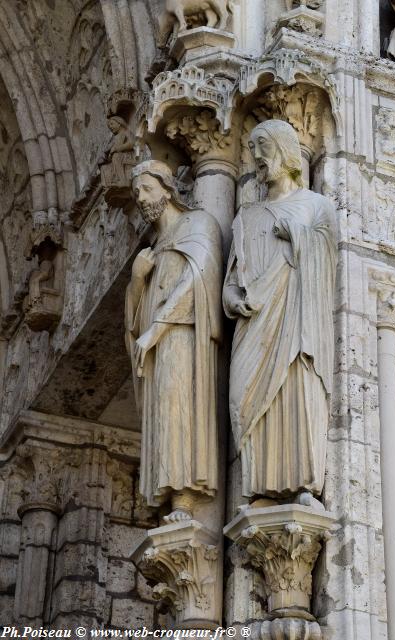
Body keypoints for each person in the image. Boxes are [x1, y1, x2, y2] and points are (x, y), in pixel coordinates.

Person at [223, 120, 338, 506]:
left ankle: (303, 485)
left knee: (296, 391)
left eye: (263, 147)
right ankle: (260, 486)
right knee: (247, 395)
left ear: (286, 152)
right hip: (254, 324)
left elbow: (329, 263)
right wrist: (232, 300)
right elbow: (231, 278)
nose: (256, 157)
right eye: (252, 148)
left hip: (298, 320)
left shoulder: (317, 206)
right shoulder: (246, 217)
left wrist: (299, 236)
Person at [125, 160, 222, 522]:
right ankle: (167, 495)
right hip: (156, 342)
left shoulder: (198, 224)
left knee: (177, 402)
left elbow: (200, 279)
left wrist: (158, 329)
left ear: (168, 189)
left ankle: (184, 497)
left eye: (147, 188)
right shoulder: (151, 249)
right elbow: (132, 321)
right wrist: (137, 281)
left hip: (182, 336)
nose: (140, 197)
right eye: (136, 191)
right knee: (162, 410)